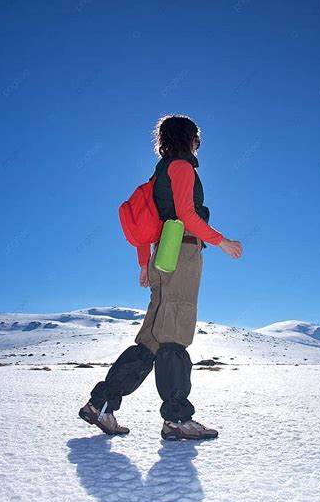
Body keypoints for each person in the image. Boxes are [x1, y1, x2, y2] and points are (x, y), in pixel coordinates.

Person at [79, 115, 243, 440]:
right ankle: (177, 420)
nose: (198, 144)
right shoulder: (182, 167)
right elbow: (186, 214)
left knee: (151, 341)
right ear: (189, 138)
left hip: (161, 256)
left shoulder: (158, 175)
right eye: (196, 138)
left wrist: (144, 265)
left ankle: (101, 405)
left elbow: (145, 223)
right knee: (175, 333)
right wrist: (220, 241)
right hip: (182, 251)